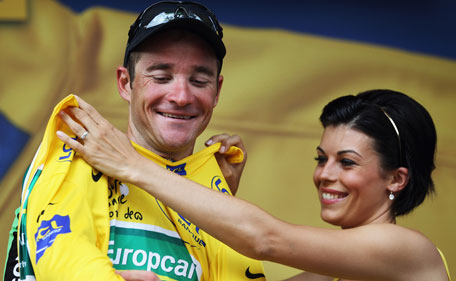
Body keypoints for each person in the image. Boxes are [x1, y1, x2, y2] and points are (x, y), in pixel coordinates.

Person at [57, 89, 452, 281]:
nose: (325, 174)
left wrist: (132, 166)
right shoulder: (328, 273)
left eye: (346, 162)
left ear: (396, 179)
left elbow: (266, 240)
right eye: (321, 158)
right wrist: (219, 193)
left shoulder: (409, 252)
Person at [4, 1, 266, 281]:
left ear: (217, 91)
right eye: (161, 77)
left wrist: (213, 195)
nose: (181, 97)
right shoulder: (75, 160)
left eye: (200, 81)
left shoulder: (215, 196)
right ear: (125, 83)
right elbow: (64, 263)